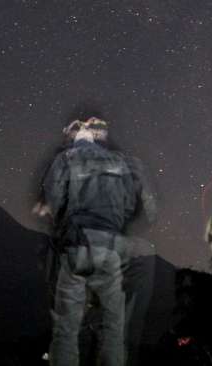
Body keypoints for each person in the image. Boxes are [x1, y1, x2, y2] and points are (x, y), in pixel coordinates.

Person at [34, 116, 156, 366]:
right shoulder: (117, 161)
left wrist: (65, 222)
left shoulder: (66, 158)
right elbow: (130, 204)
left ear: (72, 138)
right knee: (113, 329)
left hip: (77, 246)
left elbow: (53, 197)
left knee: (66, 329)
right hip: (109, 249)